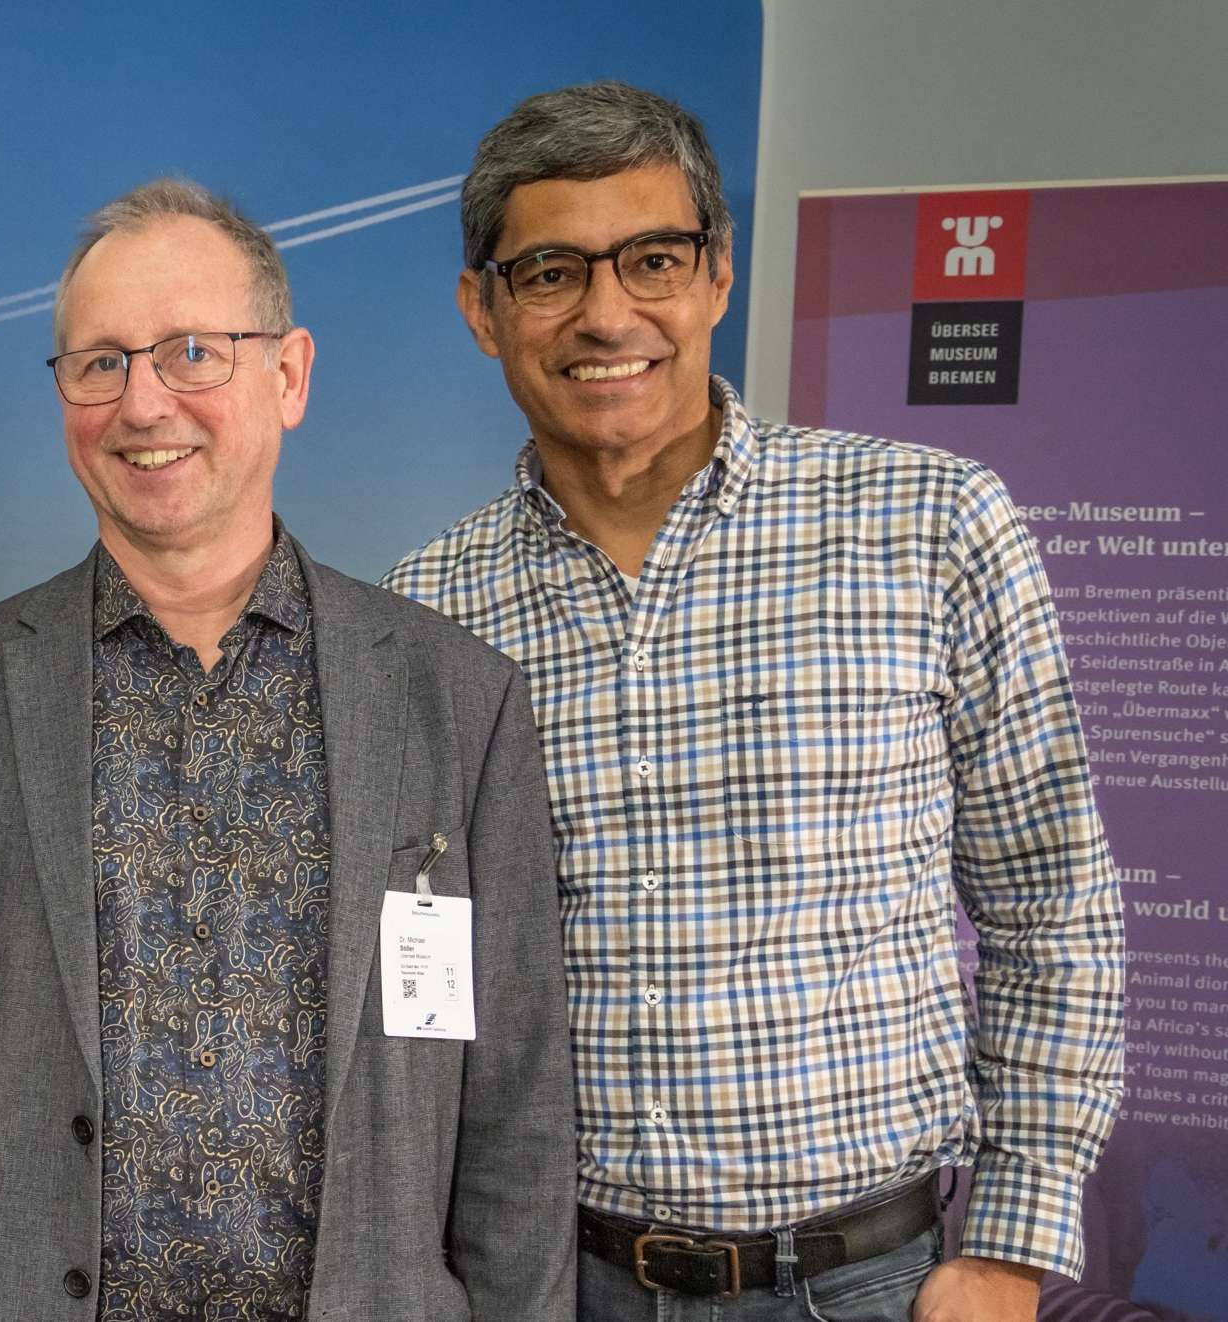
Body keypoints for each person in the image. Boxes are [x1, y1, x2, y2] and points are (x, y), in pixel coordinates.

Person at [385, 81, 1125, 1322]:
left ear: (717, 276)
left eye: (652, 259)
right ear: (482, 309)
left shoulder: (929, 524)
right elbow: (427, 985)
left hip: (873, 1284)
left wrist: (1007, 1245)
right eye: (551, 270)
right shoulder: (427, 607)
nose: (606, 312)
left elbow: (1052, 899)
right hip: (560, 1283)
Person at [0, 178, 576, 1322]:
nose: (143, 402)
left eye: (192, 352)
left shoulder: (456, 701)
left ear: (289, 374)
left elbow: (512, 1121)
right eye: (99, 362)